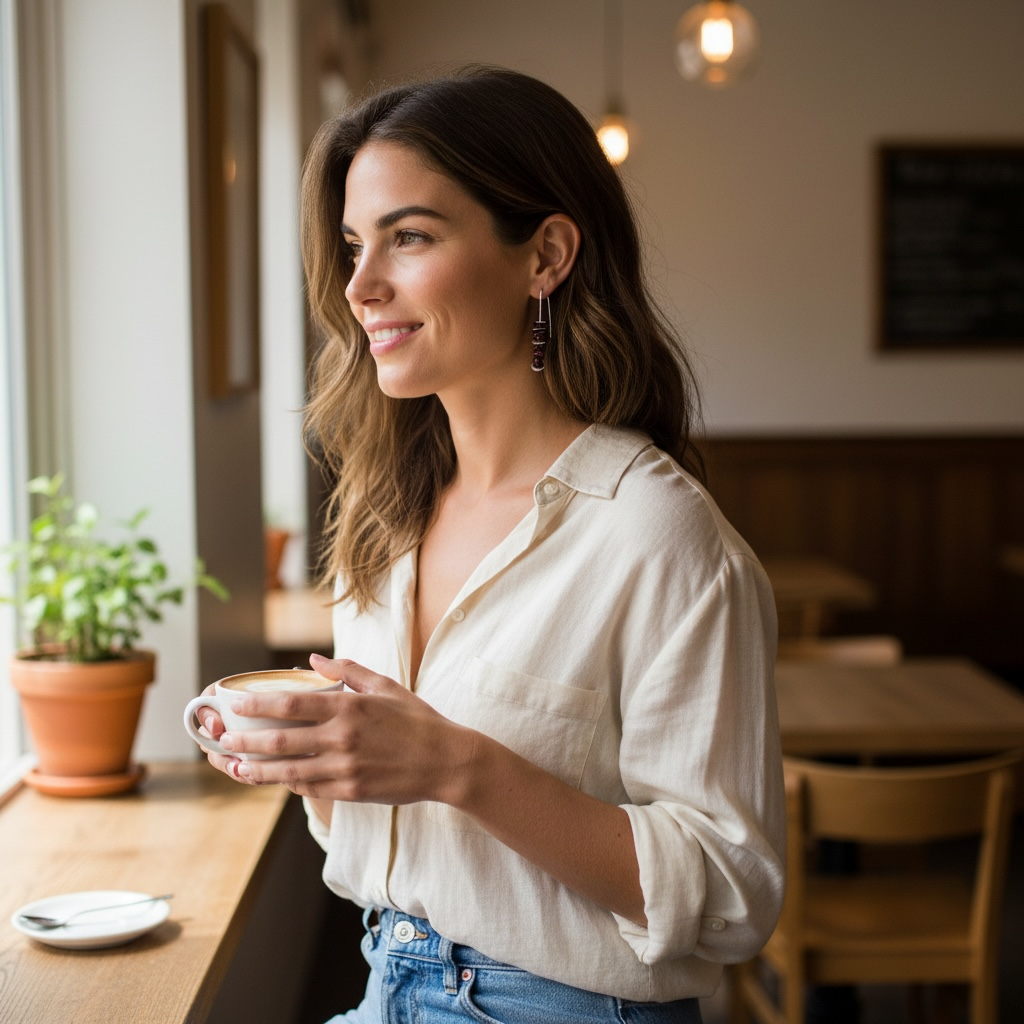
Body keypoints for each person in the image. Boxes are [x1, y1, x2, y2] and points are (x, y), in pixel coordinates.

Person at [197, 65, 784, 1023]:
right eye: (352, 246)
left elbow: (731, 894)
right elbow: (388, 842)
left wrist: (459, 766)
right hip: (385, 981)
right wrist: (315, 758)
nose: (360, 286)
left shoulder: (656, 534)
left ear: (545, 254)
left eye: (410, 238)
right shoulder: (385, 519)